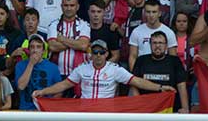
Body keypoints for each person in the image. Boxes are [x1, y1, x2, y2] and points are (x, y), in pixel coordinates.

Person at [34, 37, 174, 99]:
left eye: (101, 52)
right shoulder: (82, 68)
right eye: (95, 52)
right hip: (85, 112)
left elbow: (137, 81)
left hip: (106, 113)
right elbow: (64, 84)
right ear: (91, 54)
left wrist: (160, 88)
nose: (98, 55)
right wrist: (43, 91)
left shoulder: (115, 69)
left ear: (107, 54)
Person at [130, 30, 188, 111]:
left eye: (160, 43)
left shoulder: (175, 61)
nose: (157, 46)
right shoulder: (141, 60)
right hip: (146, 108)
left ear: (166, 45)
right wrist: (139, 104)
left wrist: (185, 109)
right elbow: (134, 84)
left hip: (169, 108)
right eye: (154, 43)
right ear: (150, 45)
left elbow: (181, 86)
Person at [47, 0, 90, 78]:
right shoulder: (53, 25)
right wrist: (75, 42)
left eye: (72, 5)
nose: (69, 8)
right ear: (61, 7)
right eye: (66, 5)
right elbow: (52, 47)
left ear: (77, 7)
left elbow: (83, 46)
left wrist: (63, 39)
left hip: (78, 74)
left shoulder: (84, 25)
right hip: (57, 73)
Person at [15, 32, 62, 109]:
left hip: (45, 111)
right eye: (32, 47)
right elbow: (21, 86)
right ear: (29, 50)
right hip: (26, 111)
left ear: (43, 51)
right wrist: (31, 64)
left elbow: (59, 92)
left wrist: (48, 106)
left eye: (38, 47)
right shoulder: (20, 65)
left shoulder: (53, 67)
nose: (35, 50)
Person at [127, 0, 176, 69]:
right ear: (144, 13)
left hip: (163, 71)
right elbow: (133, 56)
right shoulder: (136, 31)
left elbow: (173, 57)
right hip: (142, 71)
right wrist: (135, 75)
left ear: (159, 13)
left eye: (154, 12)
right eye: (148, 12)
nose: (151, 15)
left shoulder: (169, 33)